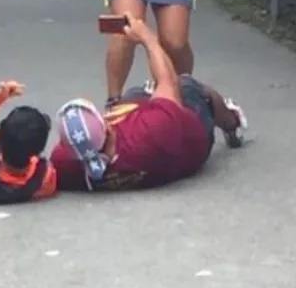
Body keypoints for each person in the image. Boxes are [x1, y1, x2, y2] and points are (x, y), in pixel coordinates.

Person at [49, 14, 248, 192]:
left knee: (134, 95)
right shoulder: (152, 131)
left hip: (153, 144)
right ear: (107, 129)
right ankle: (232, 122)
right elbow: (169, 81)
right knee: (189, 85)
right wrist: (147, 39)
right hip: (191, 138)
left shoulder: (66, 165)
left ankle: (150, 95)